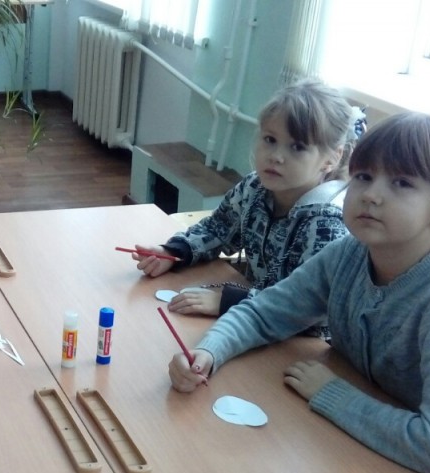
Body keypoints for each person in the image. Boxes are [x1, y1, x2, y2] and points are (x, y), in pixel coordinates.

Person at [169, 112, 430, 473]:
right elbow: (266, 311)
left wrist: (331, 394)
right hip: (344, 448)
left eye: (402, 183)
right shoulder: (350, 254)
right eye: (363, 177)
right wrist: (208, 352)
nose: (372, 194)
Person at [129, 80, 364, 329]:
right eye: (270, 139)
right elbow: (217, 229)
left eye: (297, 147)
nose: (276, 156)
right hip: (252, 320)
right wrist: (174, 252)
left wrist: (228, 301)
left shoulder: (328, 223)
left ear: (332, 158)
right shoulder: (255, 187)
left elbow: (307, 308)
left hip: (303, 340)